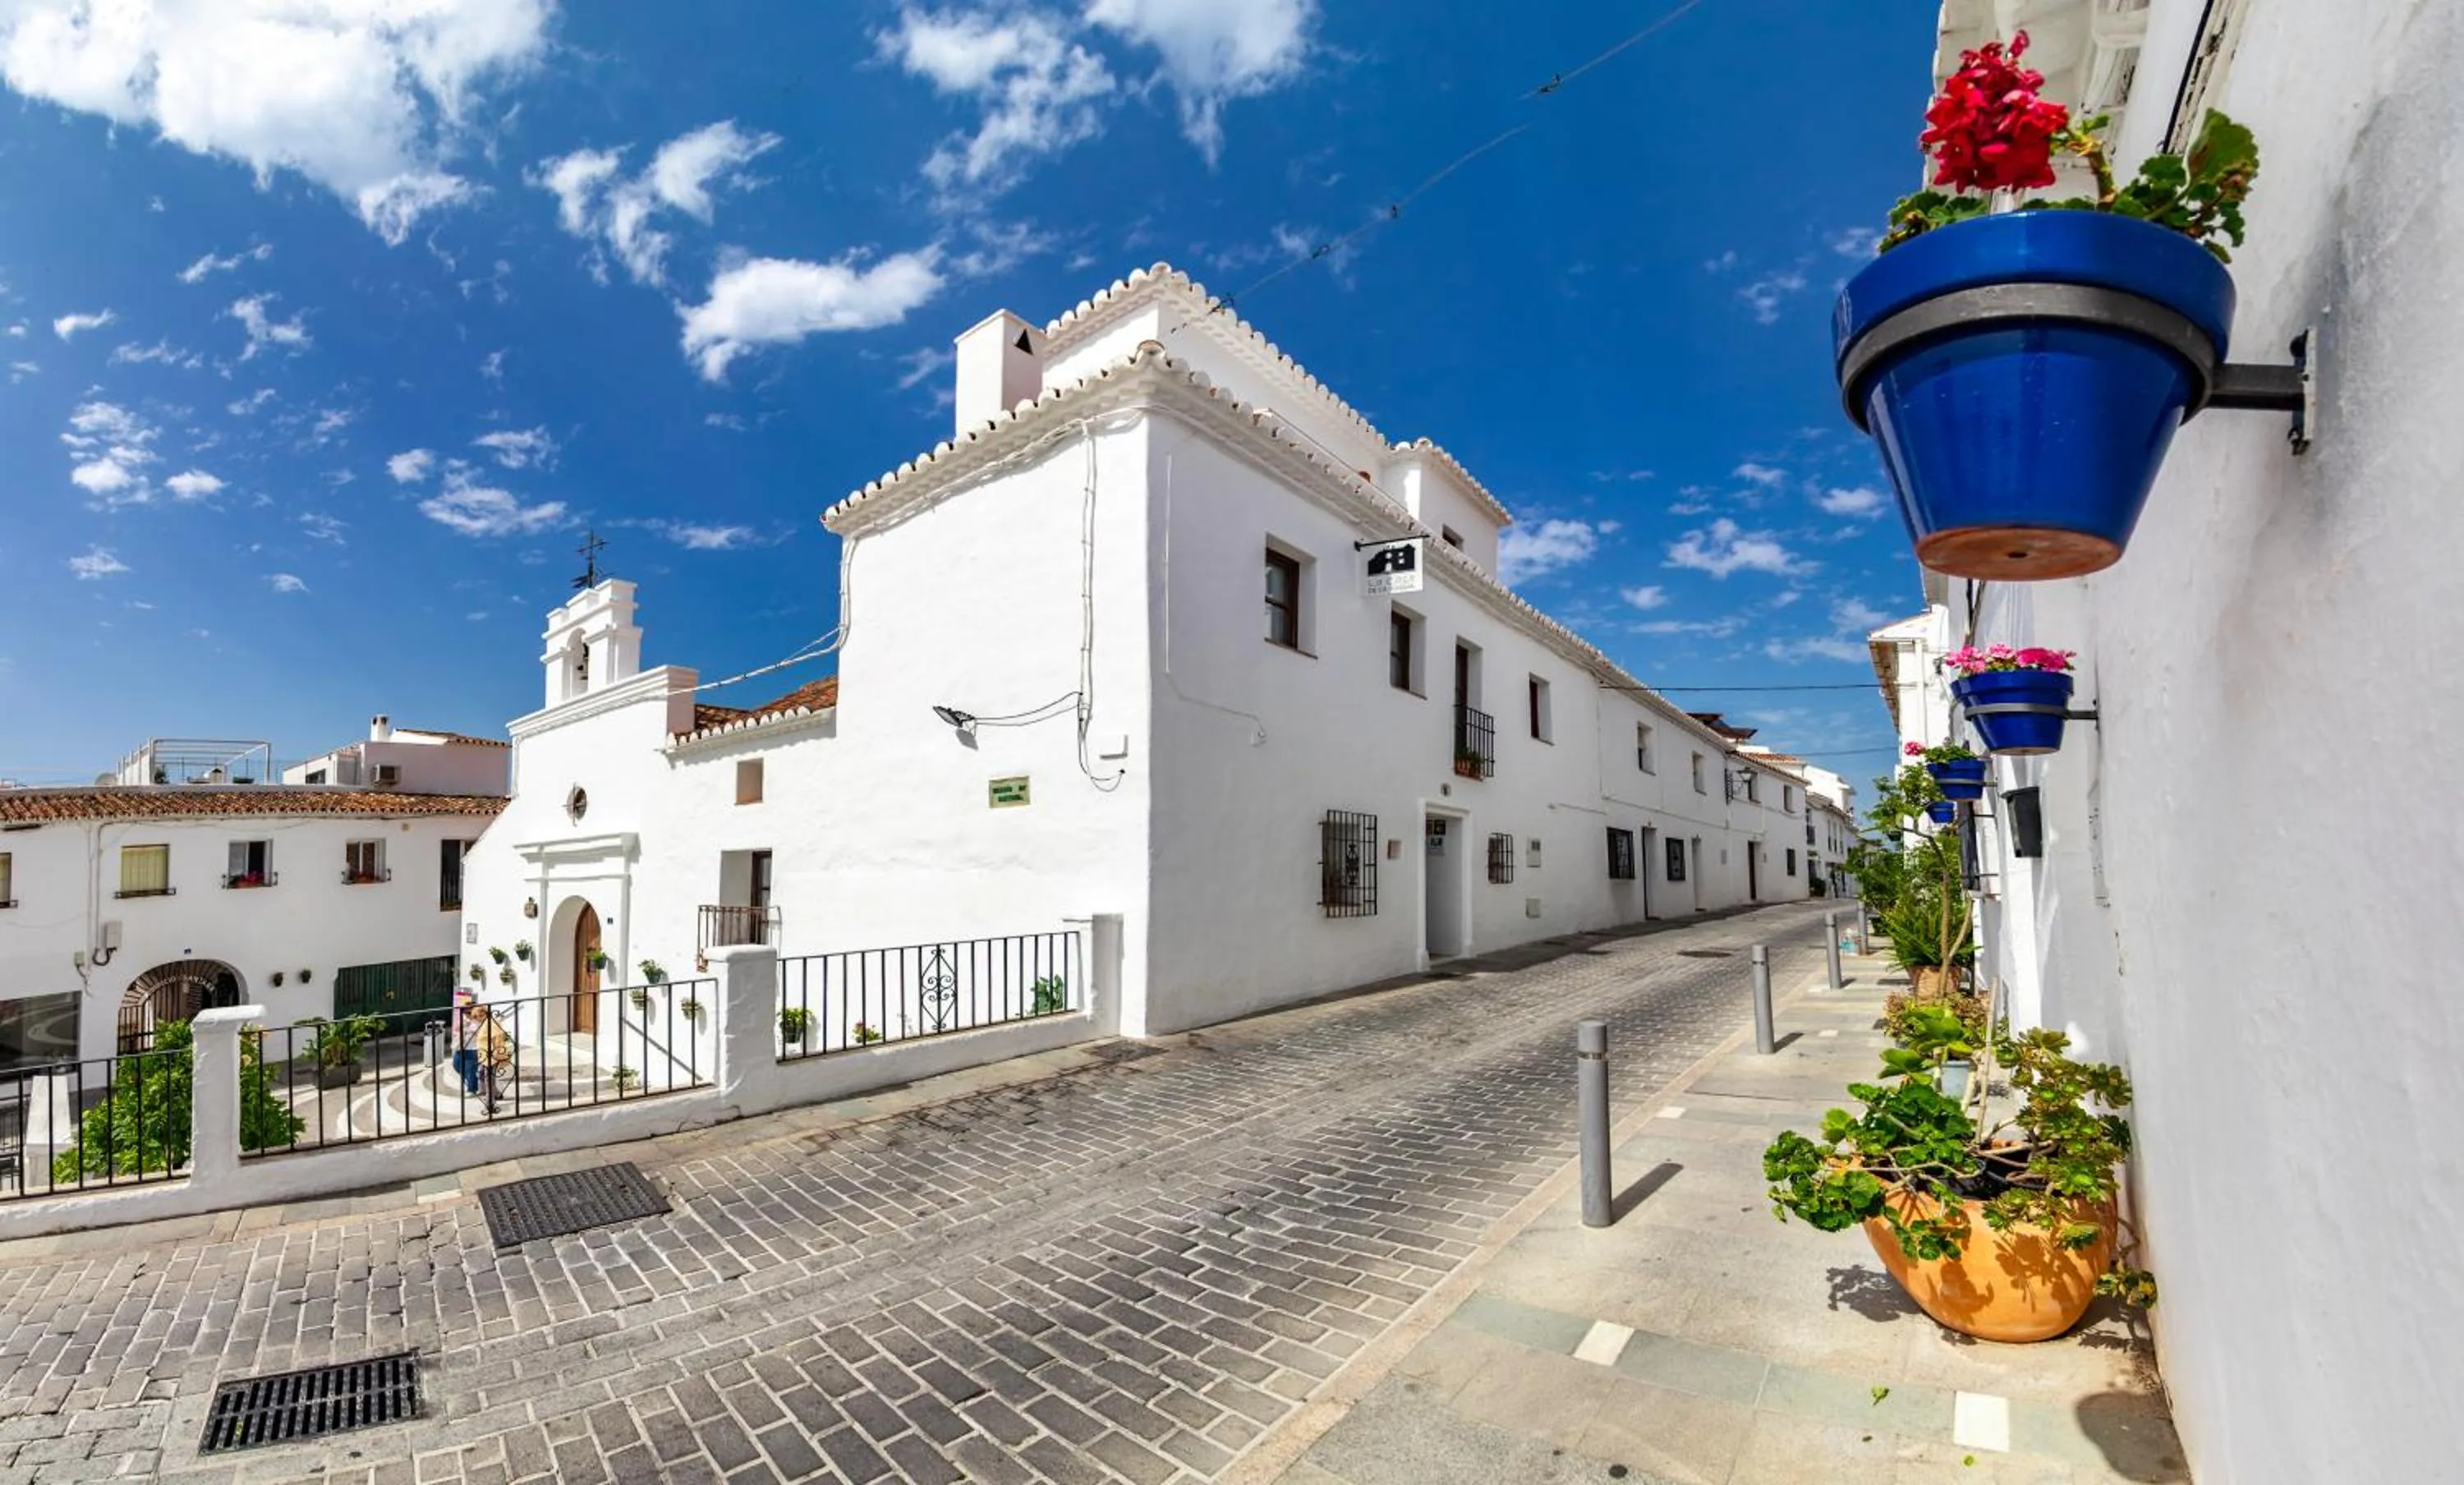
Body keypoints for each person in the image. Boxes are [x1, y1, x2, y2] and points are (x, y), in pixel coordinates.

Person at [474, 1003, 514, 1115]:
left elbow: (498, 1038)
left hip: (491, 1056)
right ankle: (496, 1094)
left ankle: (490, 1103)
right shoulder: (485, 1023)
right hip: (485, 1056)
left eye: (477, 1017)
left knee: (489, 1080)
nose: (476, 1019)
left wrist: (496, 1054)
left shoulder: (490, 1023)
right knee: (482, 1075)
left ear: (482, 1014)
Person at [449, 991, 483, 1098]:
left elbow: (481, 1034)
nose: (466, 1014)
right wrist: (462, 1028)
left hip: (473, 1048)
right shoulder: (463, 1020)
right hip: (461, 1047)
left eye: (468, 1012)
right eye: (464, 1012)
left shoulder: (478, 1021)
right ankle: (473, 1081)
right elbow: (455, 1031)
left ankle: (472, 1089)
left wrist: (471, 1030)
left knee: (470, 1069)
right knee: (456, 1064)